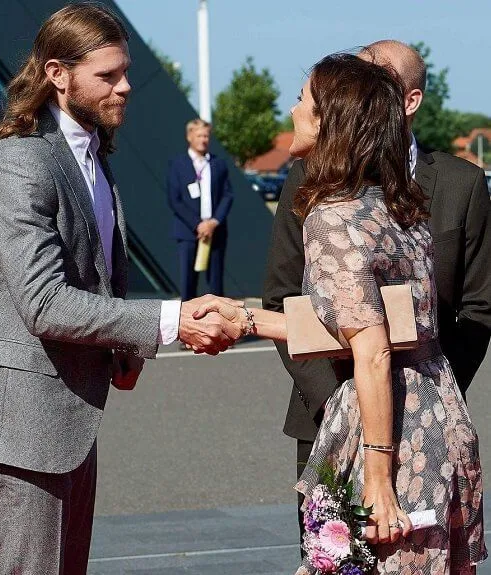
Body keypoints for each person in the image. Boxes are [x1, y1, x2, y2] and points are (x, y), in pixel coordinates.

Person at [0, 4, 242, 574]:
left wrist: (118, 348)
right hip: (19, 423)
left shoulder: (92, 154)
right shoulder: (19, 161)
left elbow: (95, 274)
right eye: (107, 76)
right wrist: (171, 322)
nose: (126, 87)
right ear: (57, 73)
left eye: (124, 71)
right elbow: (45, 302)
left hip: (66, 416)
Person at [195, 53, 486, 573]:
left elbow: (371, 351)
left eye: (304, 99)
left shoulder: (334, 215)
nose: (292, 108)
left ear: (330, 120)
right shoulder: (399, 203)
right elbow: (373, 325)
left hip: (381, 437)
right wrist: (245, 320)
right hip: (434, 423)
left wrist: (377, 475)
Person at [167, 119, 234, 302]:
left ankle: (217, 321)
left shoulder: (218, 164)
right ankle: (187, 322)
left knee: (215, 283)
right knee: (188, 281)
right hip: (188, 232)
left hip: (215, 231)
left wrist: (213, 223)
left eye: (206, 135)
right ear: (189, 137)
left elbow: (228, 195)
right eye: (199, 135)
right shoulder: (177, 164)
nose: (203, 139)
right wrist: (198, 224)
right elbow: (175, 200)